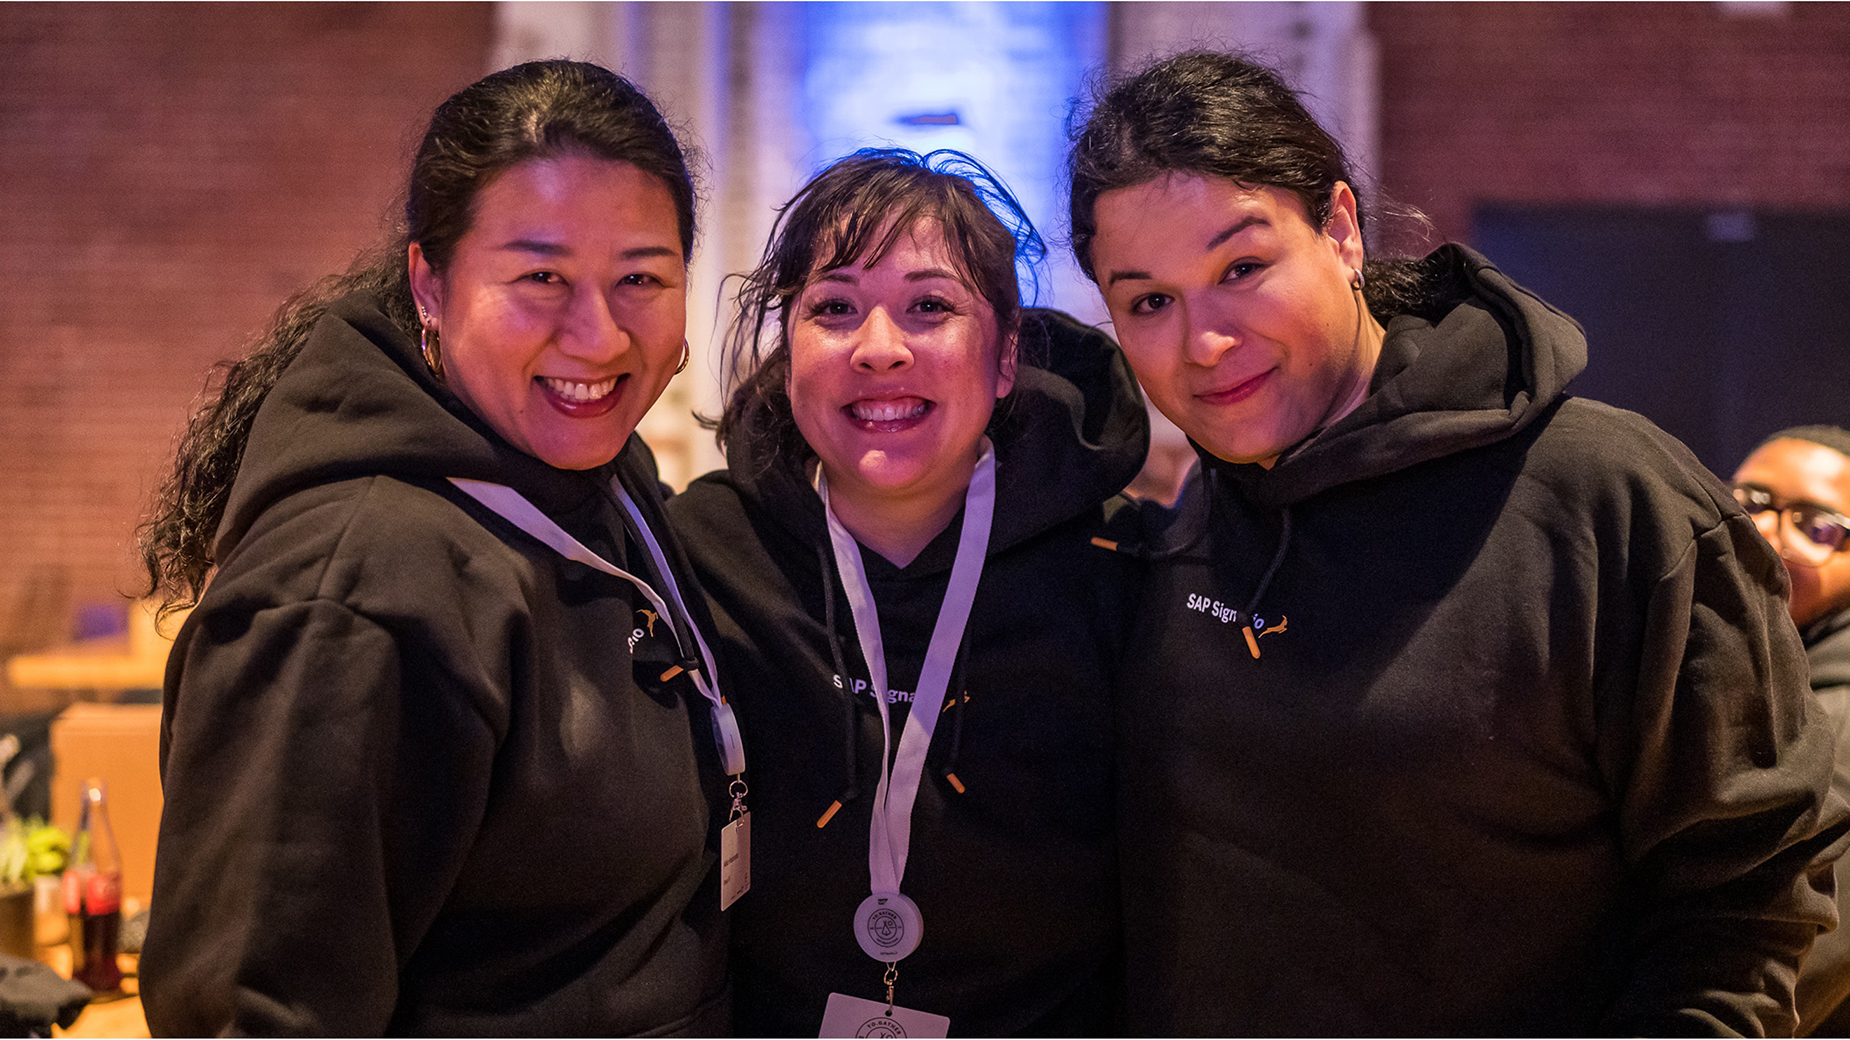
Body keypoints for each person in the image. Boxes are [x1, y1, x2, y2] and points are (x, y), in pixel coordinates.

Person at [1066, 50, 1848, 1035]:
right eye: (1148, 300)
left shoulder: (1611, 500)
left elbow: (1745, 905)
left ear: (1339, 228)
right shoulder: (1187, 524)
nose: (1202, 342)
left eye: (1242, 267)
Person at [136, 61, 740, 1035]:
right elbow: (252, 1008)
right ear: (430, 281)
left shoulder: (598, 477)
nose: (596, 334)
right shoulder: (352, 588)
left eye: (639, 278)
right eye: (540, 276)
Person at [665, 148, 1147, 1035]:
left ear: (1004, 357)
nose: (880, 349)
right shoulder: (697, 559)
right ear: (790, 347)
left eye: (930, 307)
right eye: (834, 308)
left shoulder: (1121, 573)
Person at [1734, 427, 1850, 1035]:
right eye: (1748, 501)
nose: (1768, 532)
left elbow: (1786, 970)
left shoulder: (1836, 724)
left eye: (1819, 524)